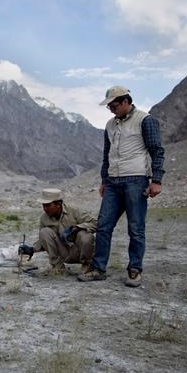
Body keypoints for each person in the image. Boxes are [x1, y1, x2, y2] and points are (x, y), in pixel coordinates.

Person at [78, 85, 165, 287]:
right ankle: (98, 269)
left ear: (126, 101)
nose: (111, 110)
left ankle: (134, 270)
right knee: (103, 226)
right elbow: (107, 155)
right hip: (113, 182)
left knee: (135, 228)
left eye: (114, 106)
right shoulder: (110, 125)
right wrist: (104, 180)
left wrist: (156, 180)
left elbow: (157, 151)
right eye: (109, 107)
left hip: (136, 180)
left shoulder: (145, 120)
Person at [18, 188, 97, 275]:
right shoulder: (44, 218)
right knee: (44, 232)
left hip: (79, 250)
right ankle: (58, 267)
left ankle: (87, 265)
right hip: (64, 252)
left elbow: (95, 223)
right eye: (43, 205)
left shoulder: (74, 211)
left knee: (85, 235)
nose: (45, 208)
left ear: (58, 204)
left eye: (48, 205)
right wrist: (32, 249)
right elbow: (45, 240)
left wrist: (77, 228)